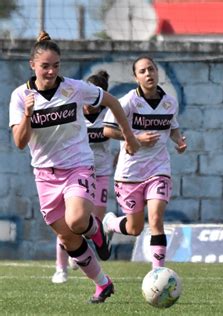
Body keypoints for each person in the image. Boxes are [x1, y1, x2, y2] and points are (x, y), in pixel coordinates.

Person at [9, 31, 140, 303]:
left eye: (56, 65)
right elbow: (20, 142)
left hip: (78, 166)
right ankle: (103, 283)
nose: (51, 71)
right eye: (45, 66)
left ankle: (96, 229)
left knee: (77, 220)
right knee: (68, 240)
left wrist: (128, 136)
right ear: (32, 65)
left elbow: (112, 102)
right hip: (45, 175)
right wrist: (27, 115)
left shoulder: (74, 88)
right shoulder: (21, 96)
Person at [102, 56, 187, 269]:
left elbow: (172, 127)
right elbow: (107, 130)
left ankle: (157, 273)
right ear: (136, 77)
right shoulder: (128, 101)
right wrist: (135, 139)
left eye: (151, 69)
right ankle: (110, 223)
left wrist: (178, 140)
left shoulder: (169, 102)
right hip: (130, 173)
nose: (148, 74)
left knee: (156, 220)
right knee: (135, 228)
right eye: (142, 71)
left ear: (158, 72)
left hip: (159, 169)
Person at [51, 70, 116, 284]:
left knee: (91, 224)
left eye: (94, 101)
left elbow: (123, 133)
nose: (89, 105)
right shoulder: (74, 110)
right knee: (67, 224)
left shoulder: (109, 114)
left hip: (101, 174)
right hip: (76, 172)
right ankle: (60, 268)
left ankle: (84, 248)